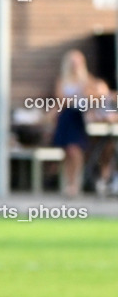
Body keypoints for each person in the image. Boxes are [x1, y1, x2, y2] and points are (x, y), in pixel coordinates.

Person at [52, 50, 93, 197]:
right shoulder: (63, 80)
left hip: (78, 117)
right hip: (66, 116)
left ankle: (76, 182)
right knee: (67, 152)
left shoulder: (87, 80)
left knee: (75, 150)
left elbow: (91, 97)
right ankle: (68, 182)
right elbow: (60, 99)